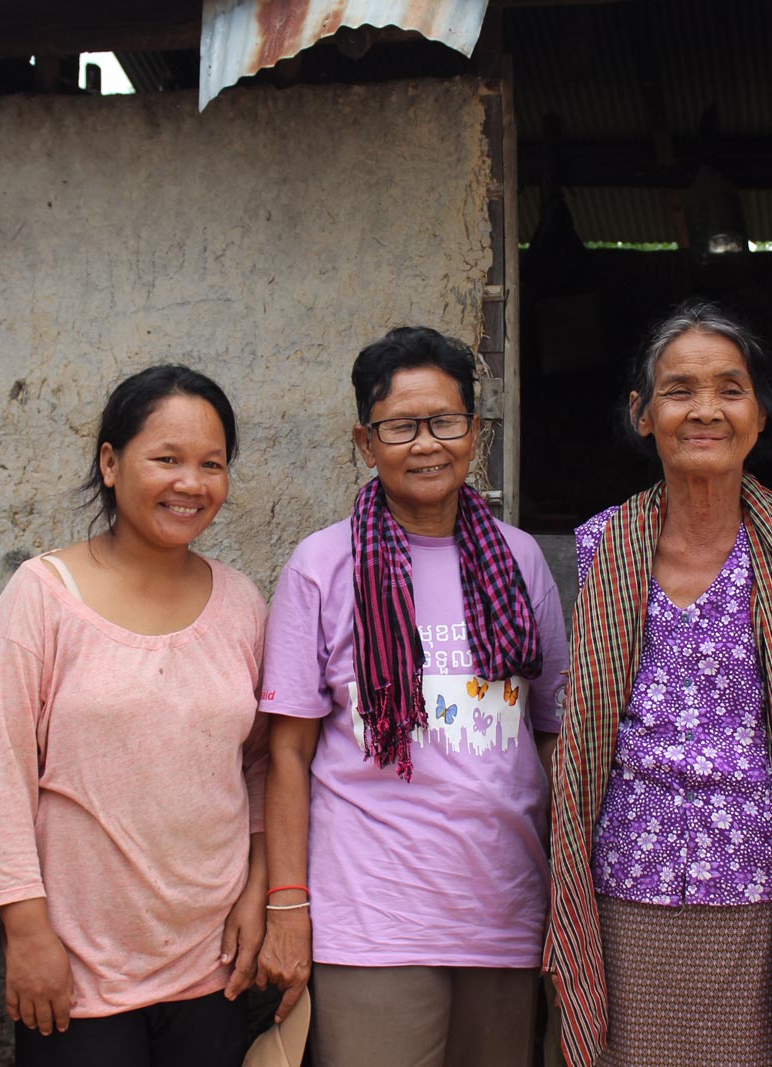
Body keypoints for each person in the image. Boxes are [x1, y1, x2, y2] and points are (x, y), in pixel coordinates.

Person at [547, 299, 772, 1067]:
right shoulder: (604, 544)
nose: (705, 409)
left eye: (729, 389)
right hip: (629, 885)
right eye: (679, 390)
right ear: (643, 415)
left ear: (760, 414)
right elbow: (586, 723)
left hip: (763, 886)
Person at [255, 326, 570, 1067]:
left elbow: (553, 733)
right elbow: (289, 753)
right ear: (367, 442)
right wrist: (287, 904)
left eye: (446, 421)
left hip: (503, 909)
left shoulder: (521, 560)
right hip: (373, 920)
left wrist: (569, 900)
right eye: (400, 426)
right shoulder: (322, 566)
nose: (425, 443)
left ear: (475, 433)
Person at [0, 365, 268, 1067]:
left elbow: (260, 763)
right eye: (167, 459)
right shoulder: (43, 597)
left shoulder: (243, 604)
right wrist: (26, 927)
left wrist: (259, 890)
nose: (191, 482)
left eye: (211, 464)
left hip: (213, 961)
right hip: (78, 968)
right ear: (109, 462)